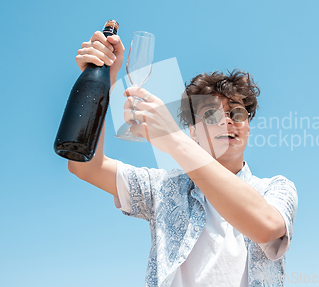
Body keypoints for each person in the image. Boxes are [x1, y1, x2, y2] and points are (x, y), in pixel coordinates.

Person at [69, 30, 298, 287]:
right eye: (211, 114)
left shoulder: (276, 189)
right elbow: (85, 166)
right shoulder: (162, 187)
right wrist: (102, 81)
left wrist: (173, 139)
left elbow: (266, 228)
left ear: (248, 127)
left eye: (238, 113)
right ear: (193, 132)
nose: (227, 120)